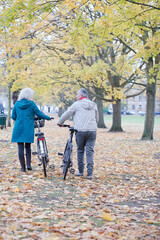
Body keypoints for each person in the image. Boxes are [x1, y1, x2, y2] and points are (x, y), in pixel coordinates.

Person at [58, 88, 99, 179]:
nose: (76, 96)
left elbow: (67, 113)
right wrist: (93, 125)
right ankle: (90, 174)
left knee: (80, 150)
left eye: (77, 94)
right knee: (89, 152)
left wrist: (60, 122)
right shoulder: (94, 104)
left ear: (80, 95)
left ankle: (81, 171)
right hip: (92, 131)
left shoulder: (76, 104)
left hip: (80, 130)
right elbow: (97, 117)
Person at [11, 87, 52, 172]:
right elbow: (39, 114)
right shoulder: (31, 104)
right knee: (28, 146)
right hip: (28, 128)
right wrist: (48, 117)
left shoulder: (17, 104)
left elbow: (13, 116)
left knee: (20, 147)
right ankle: (29, 165)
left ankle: (23, 168)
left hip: (18, 127)